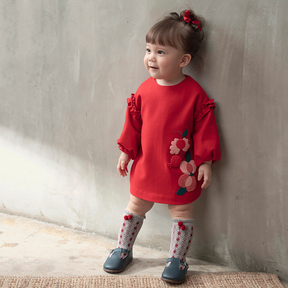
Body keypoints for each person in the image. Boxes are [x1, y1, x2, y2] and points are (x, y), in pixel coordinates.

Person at [103, 9, 221, 284]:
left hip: (181, 170)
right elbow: (133, 123)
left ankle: (177, 259)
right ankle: (123, 249)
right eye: (148, 50)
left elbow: (205, 128)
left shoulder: (194, 94)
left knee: (181, 213)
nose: (151, 58)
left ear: (184, 59)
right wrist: (126, 151)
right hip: (147, 164)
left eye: (161, 52)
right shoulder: (145, 89)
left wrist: (205, 161)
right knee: (135, 206)